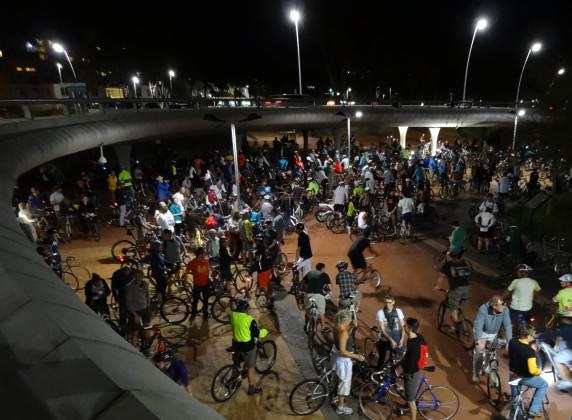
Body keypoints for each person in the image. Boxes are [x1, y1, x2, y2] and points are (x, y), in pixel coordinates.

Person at [332, 299, 366, 415]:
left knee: (338, 379)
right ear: (345, 320)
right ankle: (340, 407)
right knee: (344, 383)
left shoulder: (337, 326)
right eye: (350, 320)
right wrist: (357, 356)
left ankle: (336, 397)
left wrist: (352, 326)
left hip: (336, 356)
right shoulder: (343, 332)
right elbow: (343, 350)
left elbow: (344, 338)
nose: (351, 321)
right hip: (343, 360)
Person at [508, 325, 548, 418]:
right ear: (529, 336)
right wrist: (539, 372)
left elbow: (518, 349)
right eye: (533, 336)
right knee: (543, 385)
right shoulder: (530, 352)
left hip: (513, 374)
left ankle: (513, 414)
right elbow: (532, 370)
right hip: (524, 377)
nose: (533, 338)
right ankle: (534, 410)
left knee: (515, 398)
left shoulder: (513, 341)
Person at [472, 296, 513, 382]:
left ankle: (489, 369)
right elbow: (478, 325)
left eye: (504, 304)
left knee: (491, 353)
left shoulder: (505, 310)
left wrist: (509, 342)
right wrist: (479, 340)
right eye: (501, 304)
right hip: (482, 334)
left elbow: (508, 325)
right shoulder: (483, 309)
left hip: (493, 335)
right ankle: (476, 373)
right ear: (494, 306)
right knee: (480, 353)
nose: (504, 306)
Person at [229, 299, 266, 395]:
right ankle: (251, 388)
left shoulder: (232, 315)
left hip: (236, 344)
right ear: (246, 309)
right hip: (247, 346)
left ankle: (233, 381)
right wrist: (265, 332)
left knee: (236, 363)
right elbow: (257, 333)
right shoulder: (249, 319)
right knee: (251, 367)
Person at [433, 249, 472, 335]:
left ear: (450, 257)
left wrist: (437, 286)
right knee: (460, 307)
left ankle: (458, 328)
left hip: (457, 290)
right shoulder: (464, 263)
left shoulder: (449, 264)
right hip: (467, 288)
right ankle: (460, 324)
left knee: (453, 310)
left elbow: (441, 276)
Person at [401, 317, 427, 420]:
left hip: (411, 374)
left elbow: (411, 364)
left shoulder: (412, 345)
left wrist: (404, 368)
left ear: (409, 328)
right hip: (415, 371)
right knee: (409, 394)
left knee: (411, 400)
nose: (403, 327)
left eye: (405, 326)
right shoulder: (418, 337)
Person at [504, 264, 541, 329]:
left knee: (509, 323)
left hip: (515, 307)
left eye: (518, 271)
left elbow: (507, 291)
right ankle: (524, 335)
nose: (517, 273)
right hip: (527, 309)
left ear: (522, 273)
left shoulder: (516, 281)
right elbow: (537, 293)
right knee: (523, 323)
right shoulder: (534, 282)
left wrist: (501, 298)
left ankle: (504, 338)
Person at [376, 295, 406, 368]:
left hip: (396, 338)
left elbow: (403, 327)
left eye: (389, 303)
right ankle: (377, 372)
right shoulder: (380, 313)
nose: (387, 305)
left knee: (393, 358)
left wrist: (402, 339)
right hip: (385, 338)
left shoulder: (398, 311)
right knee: (381, 358)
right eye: (386, 303)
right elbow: (383, 330)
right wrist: (391, 340)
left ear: (393, 302)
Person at [124, 269, 150, 347]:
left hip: (145, 309)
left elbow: (147, 294)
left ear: (142, 276)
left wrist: (148, 303)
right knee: (135, 332)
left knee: (147, 328)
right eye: (136, 276)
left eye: (139, 276)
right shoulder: (129, 287)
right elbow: (128, 303)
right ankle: (134, 349)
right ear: (134, 277)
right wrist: (135, 315)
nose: (138, 278)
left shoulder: (145, 283)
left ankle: (146, 346)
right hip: (135, 311)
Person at [303, 262, 331, 334]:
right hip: (318, 296)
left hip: (308, 295)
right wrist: (330, 293)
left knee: (307, 312)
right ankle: (323, 328)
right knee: (321, 312)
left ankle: (306, 325)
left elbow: (304, 282)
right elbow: (329, 286)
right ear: (322, 268)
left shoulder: (310, 273)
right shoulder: (324, 275)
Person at [186, 247, 210, 319]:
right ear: (200, 254)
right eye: (204, 253)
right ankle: (193, 313)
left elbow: (208, 271)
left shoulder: (206, 261)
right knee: (195, 300)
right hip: (197, 285)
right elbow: (187, 272)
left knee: (205, 300)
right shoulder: (192, 263)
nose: (205, 254)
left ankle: (205, 313)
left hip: (206, 284)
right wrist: (185, 280)